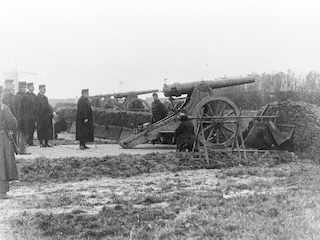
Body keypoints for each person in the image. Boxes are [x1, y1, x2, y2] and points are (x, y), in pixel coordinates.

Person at [0, 86, 19, 199]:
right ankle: (2, 191)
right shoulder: (4, 108)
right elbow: (12, 123)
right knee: (3, 164)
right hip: (2, 138)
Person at [13, 82, 30, 154]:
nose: (25, 89)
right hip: (24, 118)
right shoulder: (25, 96)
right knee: (24, 133)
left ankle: (18, 149)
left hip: (17, 118)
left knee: (18, 133)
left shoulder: (15, 96)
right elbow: (26, 109)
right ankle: (22, 150)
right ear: (21, 88)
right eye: (24, 87)